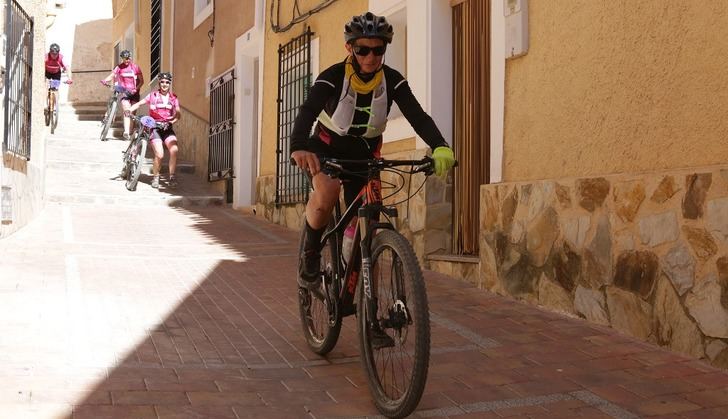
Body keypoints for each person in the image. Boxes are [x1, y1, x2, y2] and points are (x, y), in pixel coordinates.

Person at [290, 12, 456, 290]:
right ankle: (310, 253)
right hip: (326, 148)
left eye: (378, 49)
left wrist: (440, 145)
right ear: (350, 48)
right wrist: (298, 147)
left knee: (367, 221)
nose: (370, 57)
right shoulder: (332, 77)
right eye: (362, 49)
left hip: (365, 155)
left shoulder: (392, 80)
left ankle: (370, 313)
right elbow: (307, 111)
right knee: (327, 193)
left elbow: (417, 116)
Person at [126, 72, 181, 189]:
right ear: (159, 83)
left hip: (167, 128)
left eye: (167, 82)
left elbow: (178, 115)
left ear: (169, 84)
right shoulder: (152, 95)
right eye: (162, 82)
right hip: (154, 128)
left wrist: (171, 122)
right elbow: (140, 103)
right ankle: (156, 177)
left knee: (174, 150)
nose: (165, 84)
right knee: (160, 155)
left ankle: (172, 177)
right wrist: (129, 109)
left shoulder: (173, 98)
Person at [101, 50, 144, 141]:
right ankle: (126, 132)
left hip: (135, 93)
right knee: (126, 110)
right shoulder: (119, 67)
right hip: (124, 92)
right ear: (122, 59)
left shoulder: (135, 67)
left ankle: (130, 131)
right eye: (125, 59)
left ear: (130, 57)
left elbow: (141, 81)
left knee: (132, 114)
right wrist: (105, 80)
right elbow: (112, 75)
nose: (126, 61)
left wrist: (136, 89)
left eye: (128, 58)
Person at [44, 43, 73, 115]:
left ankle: (55, 105)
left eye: (56, 54)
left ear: (58, 53)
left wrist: (69, 78)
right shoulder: (46, 57)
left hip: (56, 73)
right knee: (46, 86)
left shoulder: (61, 58)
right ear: (50, 52)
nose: (54, 56)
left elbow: (68, 68)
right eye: (52, 54)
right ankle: (45, 104)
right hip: (46, 73)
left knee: (55, 88)